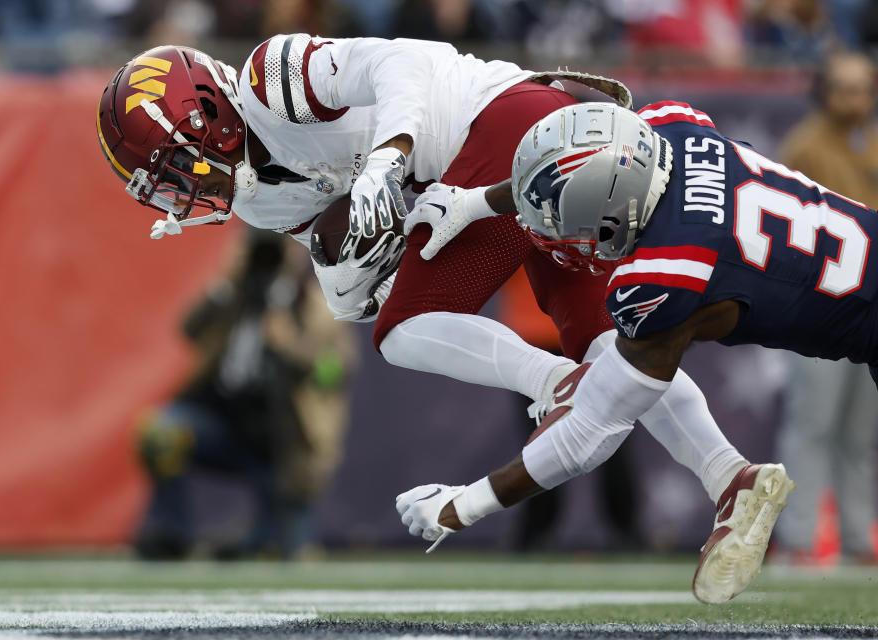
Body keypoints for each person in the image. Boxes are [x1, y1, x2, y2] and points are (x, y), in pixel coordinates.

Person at [97, 38, 755, 572]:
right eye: (162, 186)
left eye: (174, 170)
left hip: (501, 124)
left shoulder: (272, 78)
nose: (178, 196)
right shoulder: (253, 197)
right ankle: (731, 476)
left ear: (206, 112)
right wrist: (349, 277)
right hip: (478, 174)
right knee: (610, 344)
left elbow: (400, 62)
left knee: (404, 331)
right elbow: (344, 270)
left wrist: (390, 156)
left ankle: (556, 385)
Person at [393, 98, 878, 603]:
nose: (558, 238)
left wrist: (464, 505)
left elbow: (586, 433)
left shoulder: (663, 276)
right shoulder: (675, 127)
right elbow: (578, 164)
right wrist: (476, 204)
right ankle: (730, 477)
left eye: (569, 224)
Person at [136, 231, 354, 559]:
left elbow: (336, 372)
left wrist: (291, 346)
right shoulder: (232, 300)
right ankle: (172, 532)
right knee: (161, 432)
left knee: (278, 552)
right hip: (223, 426)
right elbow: (188, 330)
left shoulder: (311, 306)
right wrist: (225, 282)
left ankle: (260, 536)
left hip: (282, 442)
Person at [773, 51, 878, 565]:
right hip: (820, 303)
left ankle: (861, 537)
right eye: (844, 88)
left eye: (863, 88)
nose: (855, 100)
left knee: (862, 432)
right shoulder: (803, 146)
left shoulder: (874, 141)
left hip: (872, 306)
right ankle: (802, 537)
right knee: (813, 423)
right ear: (823, 91)